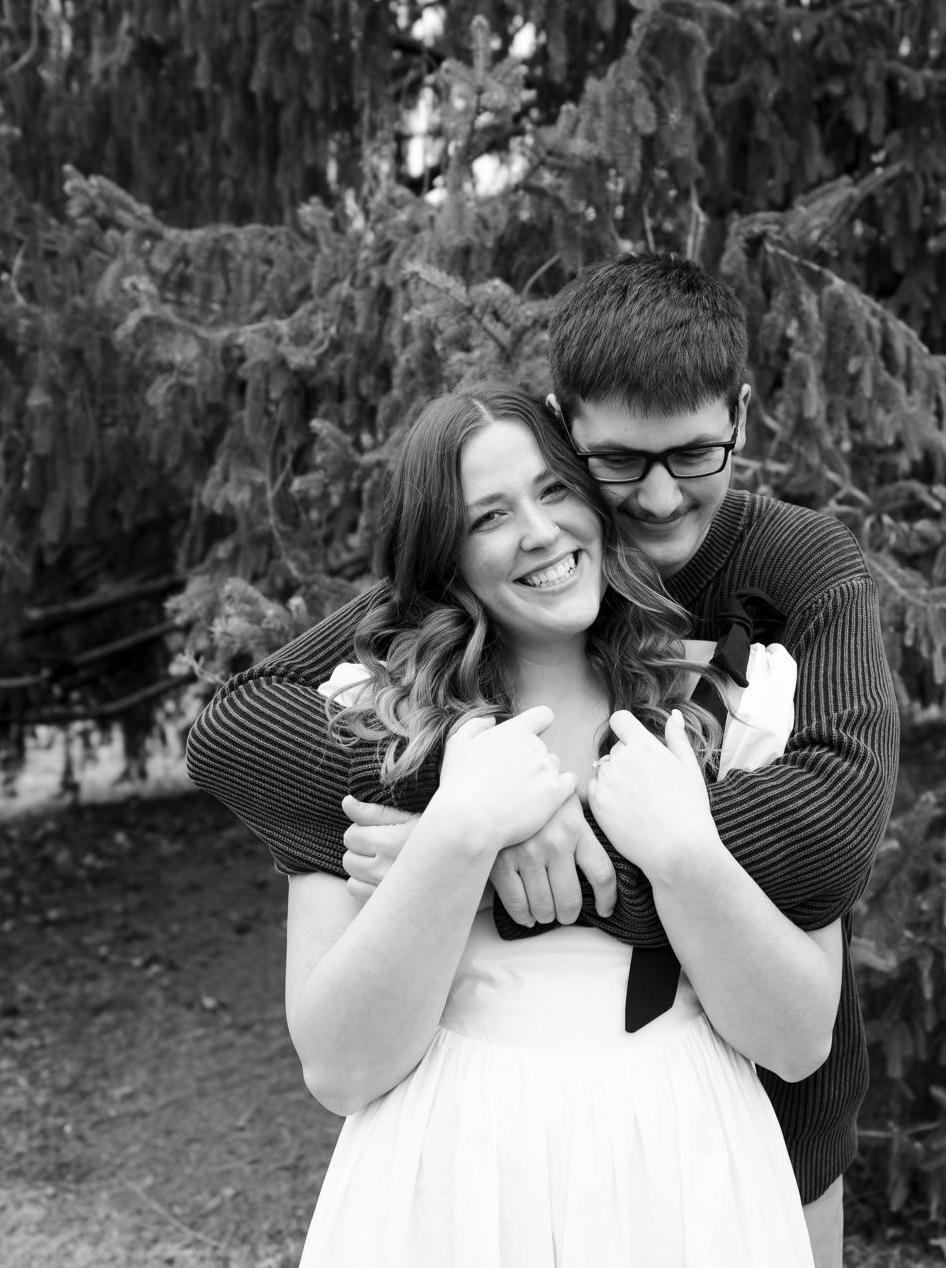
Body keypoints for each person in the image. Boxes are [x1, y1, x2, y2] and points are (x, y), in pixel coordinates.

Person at [186, 251, 900, 1266]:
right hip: (468, 1171)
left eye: (694, 452)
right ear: (567, 430)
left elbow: (830, 832)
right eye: (616, 463)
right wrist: (474, 813)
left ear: (740, 418)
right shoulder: (408, 672)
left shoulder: (785, 601)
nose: (658, 498)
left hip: (750, 1132)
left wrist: (563, 845)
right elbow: (238, 728)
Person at [284, 386, 834, 1264]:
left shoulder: (726, 705)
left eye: (553, 491)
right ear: (445, 555)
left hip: (683, 1169)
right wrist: (460, 834)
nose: (539, 532)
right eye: (489, 516)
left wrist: (684, 853)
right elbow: (340, 1070)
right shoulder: (370, 721)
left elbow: (800, 1042)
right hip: (454, 1177)